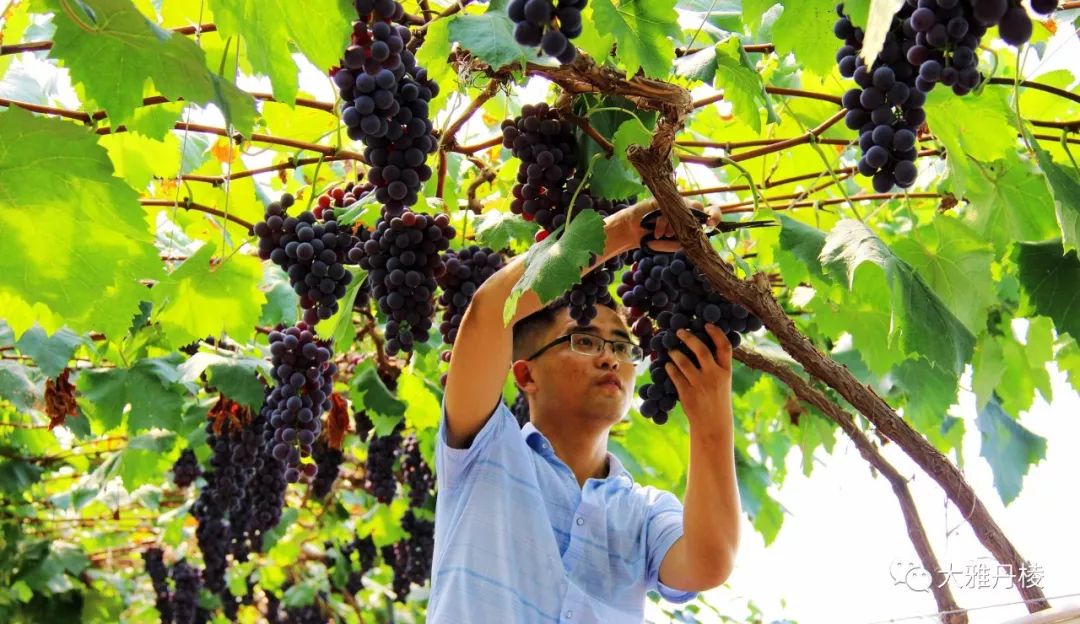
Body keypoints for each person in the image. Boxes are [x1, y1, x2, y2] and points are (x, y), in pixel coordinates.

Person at [429, 197, 742, 623]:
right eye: (585, 341)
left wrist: (712, 423)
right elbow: (490, 312)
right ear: (525, 375)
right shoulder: (483, 452)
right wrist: (626, 230)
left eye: (620, 346)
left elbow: (709, 564)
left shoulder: (645, 513)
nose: (610, 358)